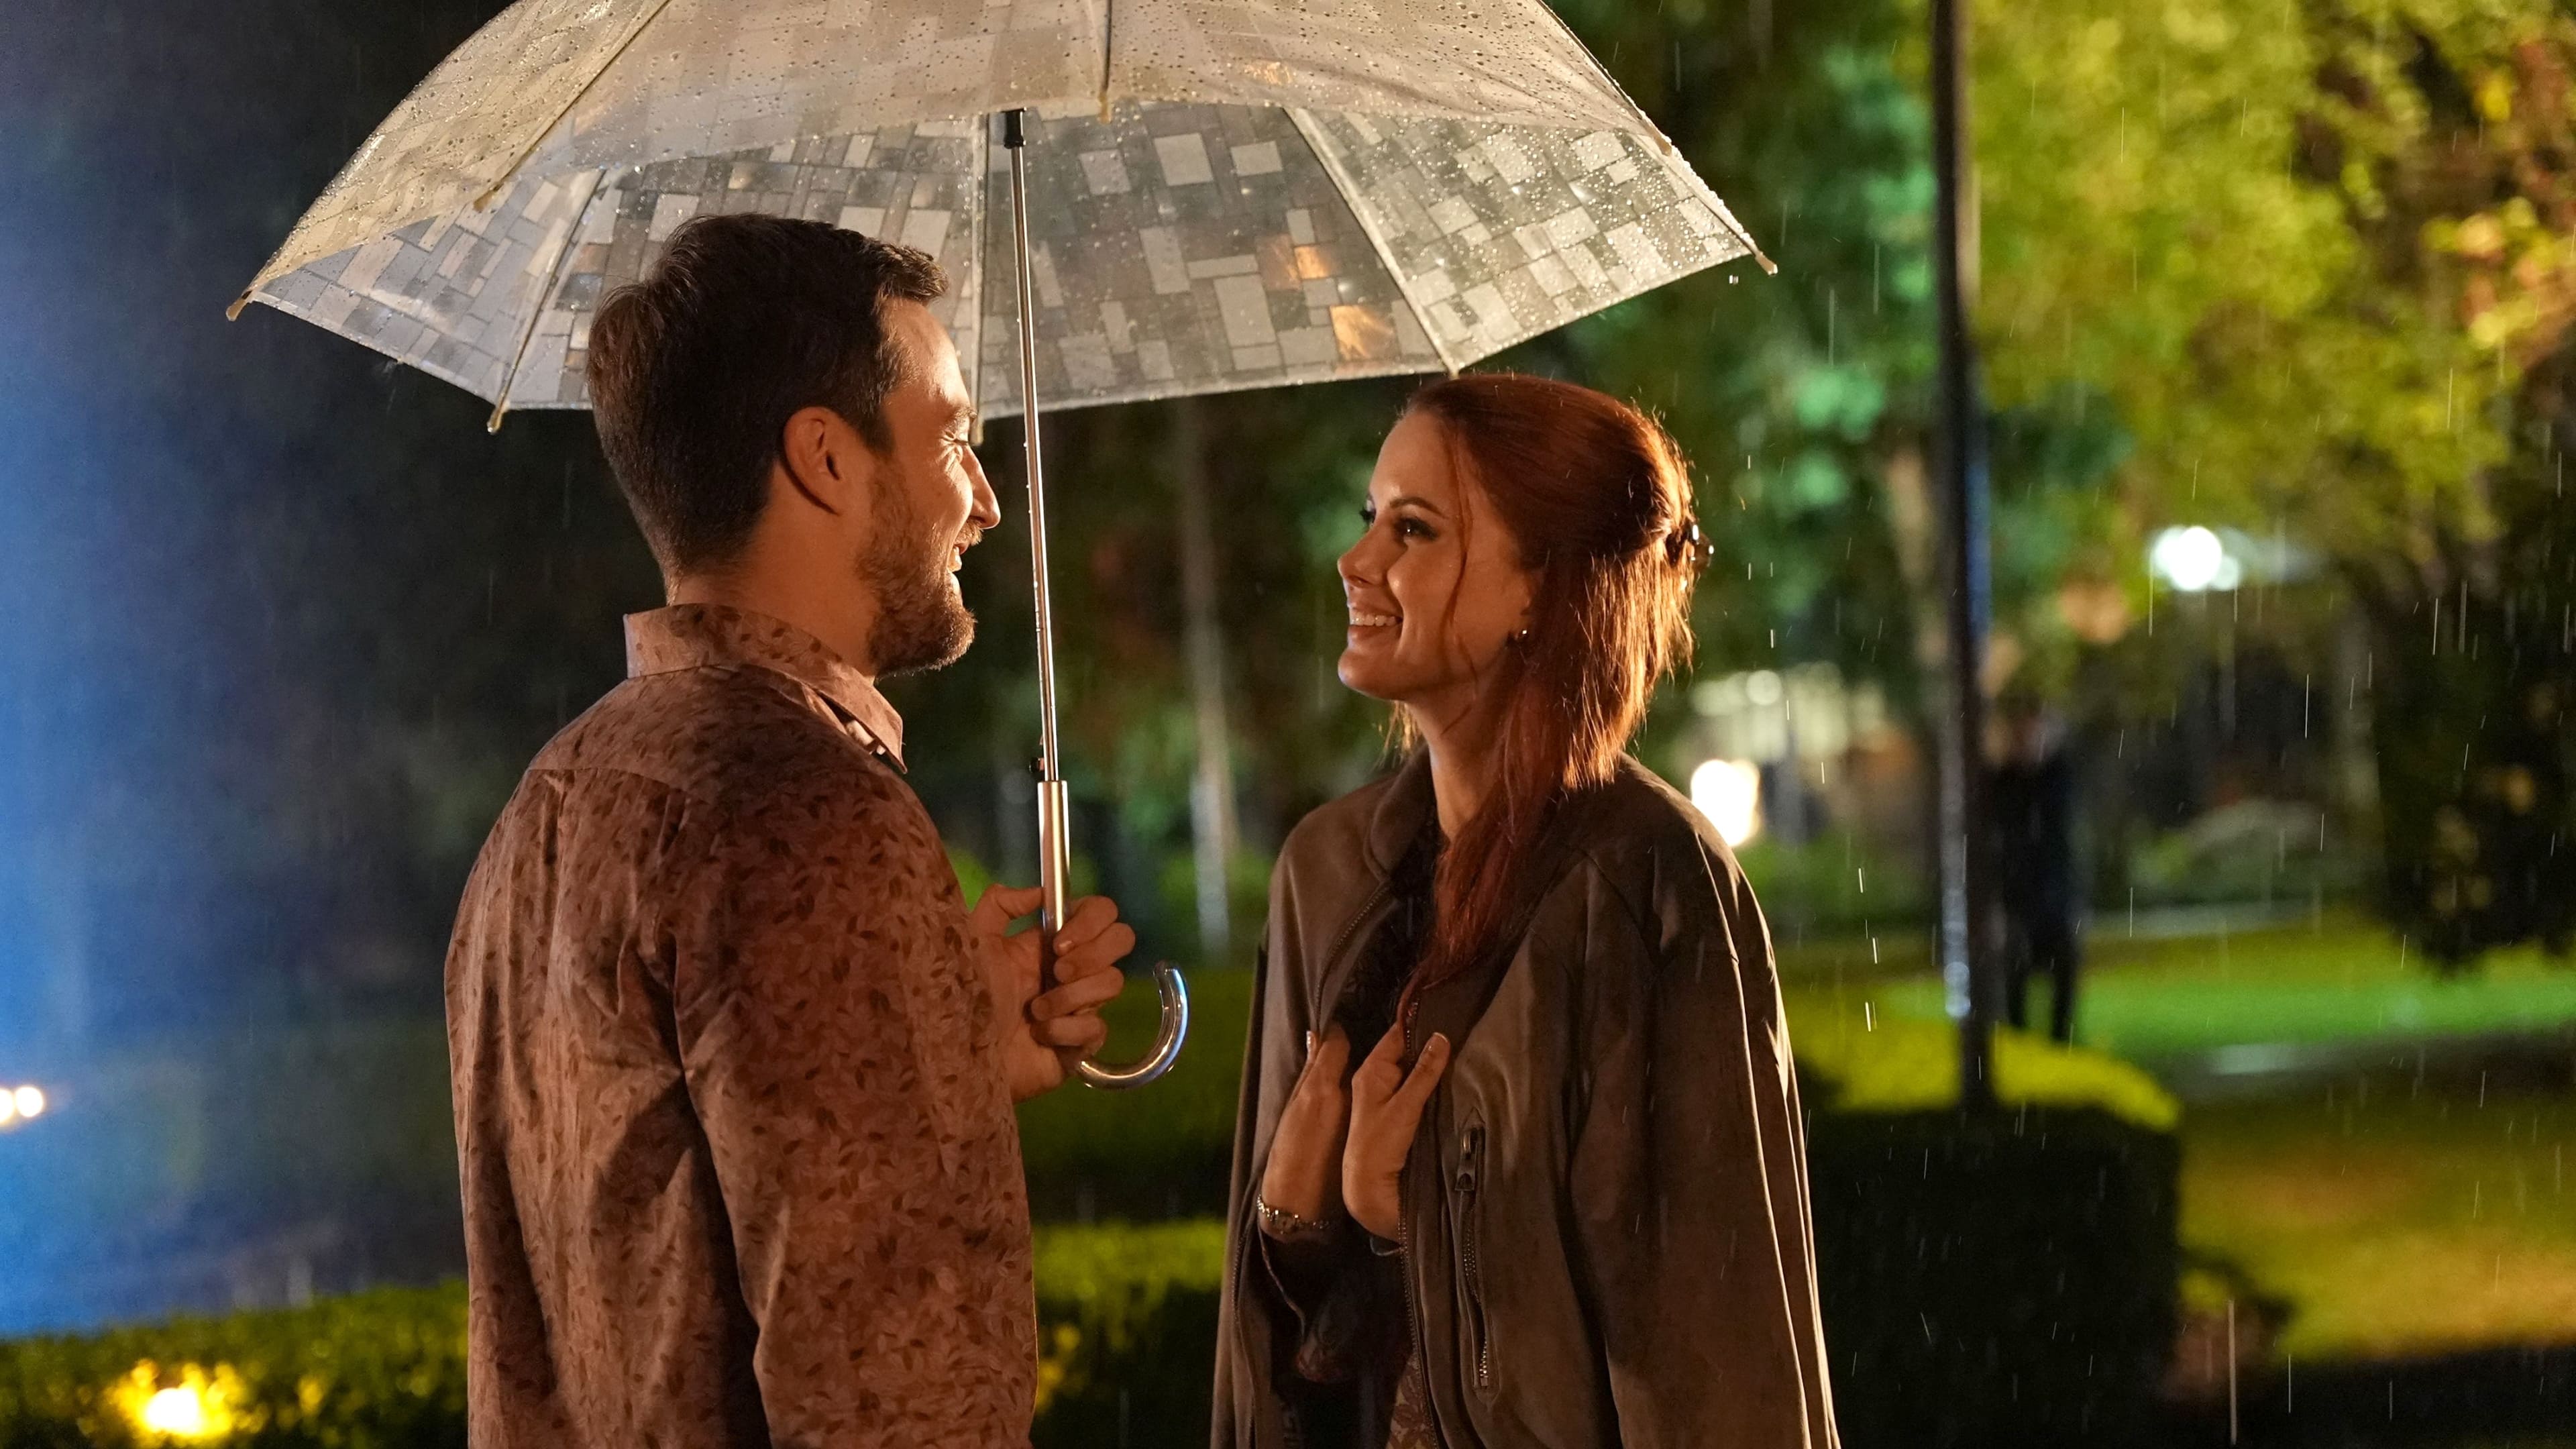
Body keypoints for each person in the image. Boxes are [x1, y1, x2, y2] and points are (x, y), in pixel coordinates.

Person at [443, 214, 1134, 1449]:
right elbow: (895, 1396)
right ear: (824, 457)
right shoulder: (809, 817)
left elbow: (652, 1262)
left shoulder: (546, 806)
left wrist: (945, 1063)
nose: (984, 503)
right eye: (953, 439)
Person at [1212, 374, 1839, 1449]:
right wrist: (1295, 1226)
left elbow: (1708, 1349)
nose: (1356, 562)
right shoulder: (1326, 874)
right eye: (1371, 518)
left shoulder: (1645, 883)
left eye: (1414, 529)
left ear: (1542, 591)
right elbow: (1273, 1359)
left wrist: (1404, 1218)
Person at [1990, 695, 2084, 1043]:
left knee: (2064, 978)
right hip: (2018, 898)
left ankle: (2060, 1042)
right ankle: (2019, 1040)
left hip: (2055, 896)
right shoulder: (2004, 782)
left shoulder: (2057, 777)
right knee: (2016, 977)